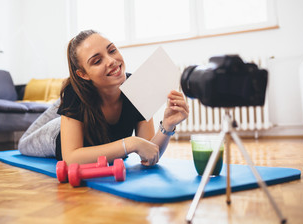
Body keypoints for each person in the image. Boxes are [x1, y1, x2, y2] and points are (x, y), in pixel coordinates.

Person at [18, 30, 189, 166]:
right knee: (23, 144)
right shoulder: (74, 93)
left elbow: (149, 153)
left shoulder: (137, 88)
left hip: (84, 99)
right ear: (83, 74)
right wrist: (129, 144)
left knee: (75, 99)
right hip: (58, 131)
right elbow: (71, 158)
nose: (111, 61)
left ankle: (66, 108)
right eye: (97, 61)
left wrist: (167, 126)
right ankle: (65, 110)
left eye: (112, 50)